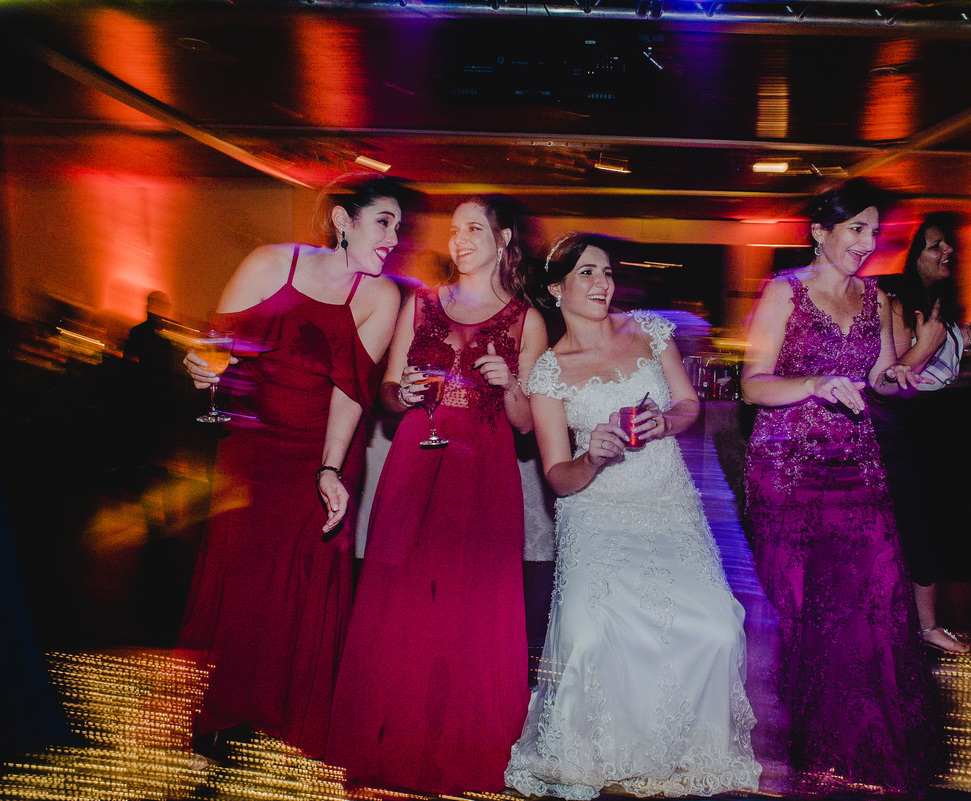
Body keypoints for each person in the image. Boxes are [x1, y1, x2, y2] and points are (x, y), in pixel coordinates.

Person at [505, 233, 761, 800]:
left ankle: (686, 750)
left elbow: (688, 404)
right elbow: (558, 476)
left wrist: (665, 423)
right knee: (590, 634)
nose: (603, 284)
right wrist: (592, 457)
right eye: (587, 273)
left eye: (607, 272)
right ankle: (602, 752)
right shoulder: (548, 372)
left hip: (668, 505)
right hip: (595, 513)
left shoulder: (648, 330)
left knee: (717, 628)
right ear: (557, 288)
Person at [178, 174, 413, 759]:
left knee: (302, 581)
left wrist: (329, 470)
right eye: (383, 222)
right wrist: (201, 365)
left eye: (398, 228)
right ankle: (221, 710)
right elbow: (215, 346)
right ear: (343, 220)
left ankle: (283, 716)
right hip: (253, 450)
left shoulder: (382, 297)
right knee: (242, 578)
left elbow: (352, 392)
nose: (394, 239)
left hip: (321, 451)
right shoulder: (268, 264)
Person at [327, 195, 547, 794]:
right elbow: (387, 394)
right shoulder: (421, 303)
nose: (460, 239)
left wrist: (510, 385)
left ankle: (462, 747)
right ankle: (387, 739)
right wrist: (405, 392)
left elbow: (527, 424)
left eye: (474, 228)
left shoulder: (526, 320)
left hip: (483, 469)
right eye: (455, 229)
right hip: (415, 460)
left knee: (470, 604)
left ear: (503, 240)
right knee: (402, 597)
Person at [740, 179, 936, 794]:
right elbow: (753, 384)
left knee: (873, 602)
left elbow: (878, 376)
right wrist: (814, 384)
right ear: (819, 232)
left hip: (857, 463)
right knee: (800, 608)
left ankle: (862, 746)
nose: (868, 242)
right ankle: (796, 748)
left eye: (874, 231)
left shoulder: (876, 298)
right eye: (856, 228)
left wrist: (908, 368)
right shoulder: (784, 291)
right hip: (789, 468)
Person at [875, 213, 971, 654]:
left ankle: (925, 625)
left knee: (938, 523)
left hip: (945, 422)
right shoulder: (894, 301)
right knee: (917, 525)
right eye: (936, 245)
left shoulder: (939, 300)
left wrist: (964, 337)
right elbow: (891, 374)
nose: (948, 251)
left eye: (948, 244)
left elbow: (939, 361)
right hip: (910, 424)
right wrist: (927, 346)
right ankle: (916, 625)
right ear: (914, 254)